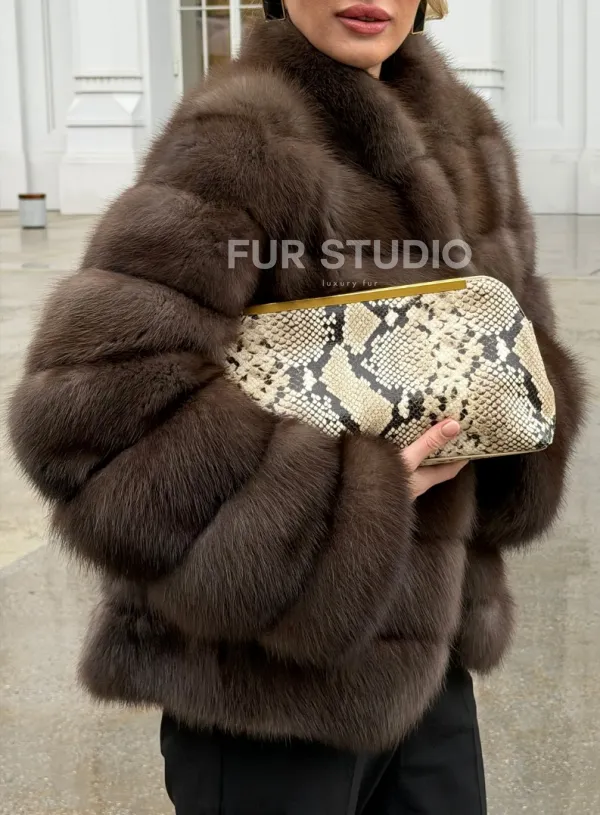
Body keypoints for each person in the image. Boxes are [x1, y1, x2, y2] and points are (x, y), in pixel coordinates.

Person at [9, 1, 585, 813]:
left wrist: (508, 415)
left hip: (424, 680)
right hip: (260, 694)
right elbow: (85, 413)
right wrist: (352, 500)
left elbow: (525, 352)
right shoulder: (239, 138)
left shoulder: (467, 135)